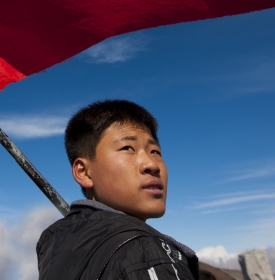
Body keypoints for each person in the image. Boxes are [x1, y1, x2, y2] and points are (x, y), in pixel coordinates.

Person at [37, 99, 199, 279]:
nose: (152, 164)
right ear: (84, 172)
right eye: (127, 148)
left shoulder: (55, 244)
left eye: (155, 151)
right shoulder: (144, 253)